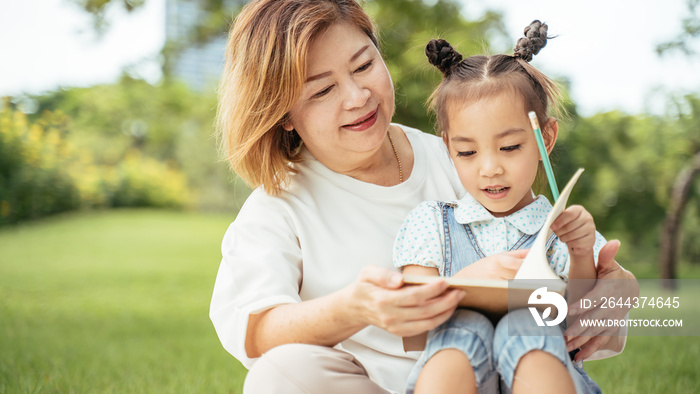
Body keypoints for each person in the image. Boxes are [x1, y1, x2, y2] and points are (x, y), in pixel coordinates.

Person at [209, 1, 638, 393]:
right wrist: (356, 307)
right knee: (280, 374)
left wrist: (617, 289)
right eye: (322, 90)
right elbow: (256, 328)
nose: (358, 97)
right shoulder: (278, 207)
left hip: (500, 375)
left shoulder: (466, 157)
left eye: (363, 66)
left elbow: (560, 262)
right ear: (283, 112)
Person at [393, 21, 618, 394]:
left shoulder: (561, 230)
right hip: (459, 376)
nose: (490, 168)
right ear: (448, 147)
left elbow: (584, 320)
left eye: (510, 147)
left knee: (528, 325)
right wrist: (469, 282)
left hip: (547, 370)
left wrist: (580, 254)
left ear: (545, 137)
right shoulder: (430, 224)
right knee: (462, 329)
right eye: (467, 152)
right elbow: (412, 325)